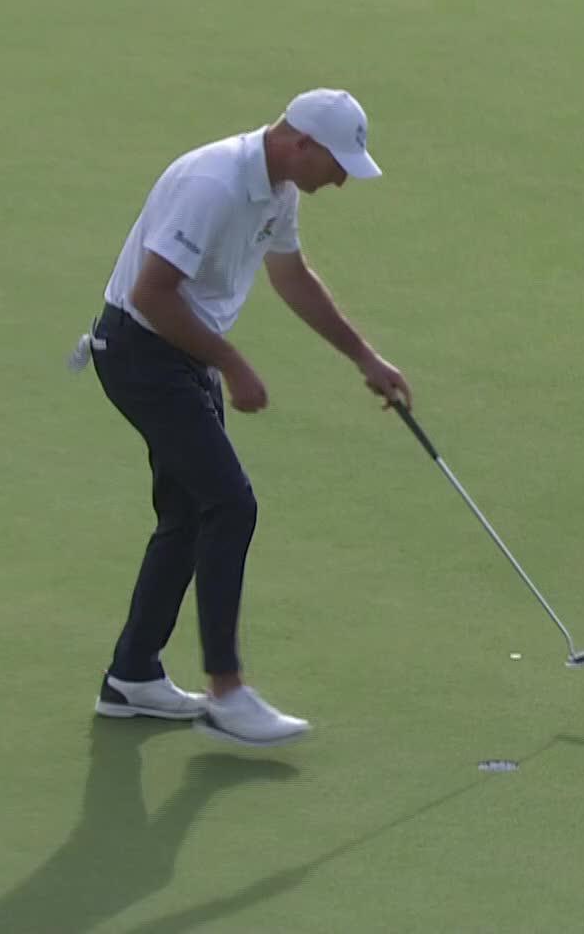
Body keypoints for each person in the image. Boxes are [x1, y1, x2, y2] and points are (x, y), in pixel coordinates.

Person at [67, 88, 411, 747]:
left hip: (181, 355)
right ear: (299, 142)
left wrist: (364, 357)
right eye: (335, 162)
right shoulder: (216, 183)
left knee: (190, 511)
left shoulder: (279, 186)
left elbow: (292, 277)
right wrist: (232, 362)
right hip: (142, 352)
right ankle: (226, 693)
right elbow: (152, 294)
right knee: (230, 504)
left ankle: (132, 675)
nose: (340, 178)